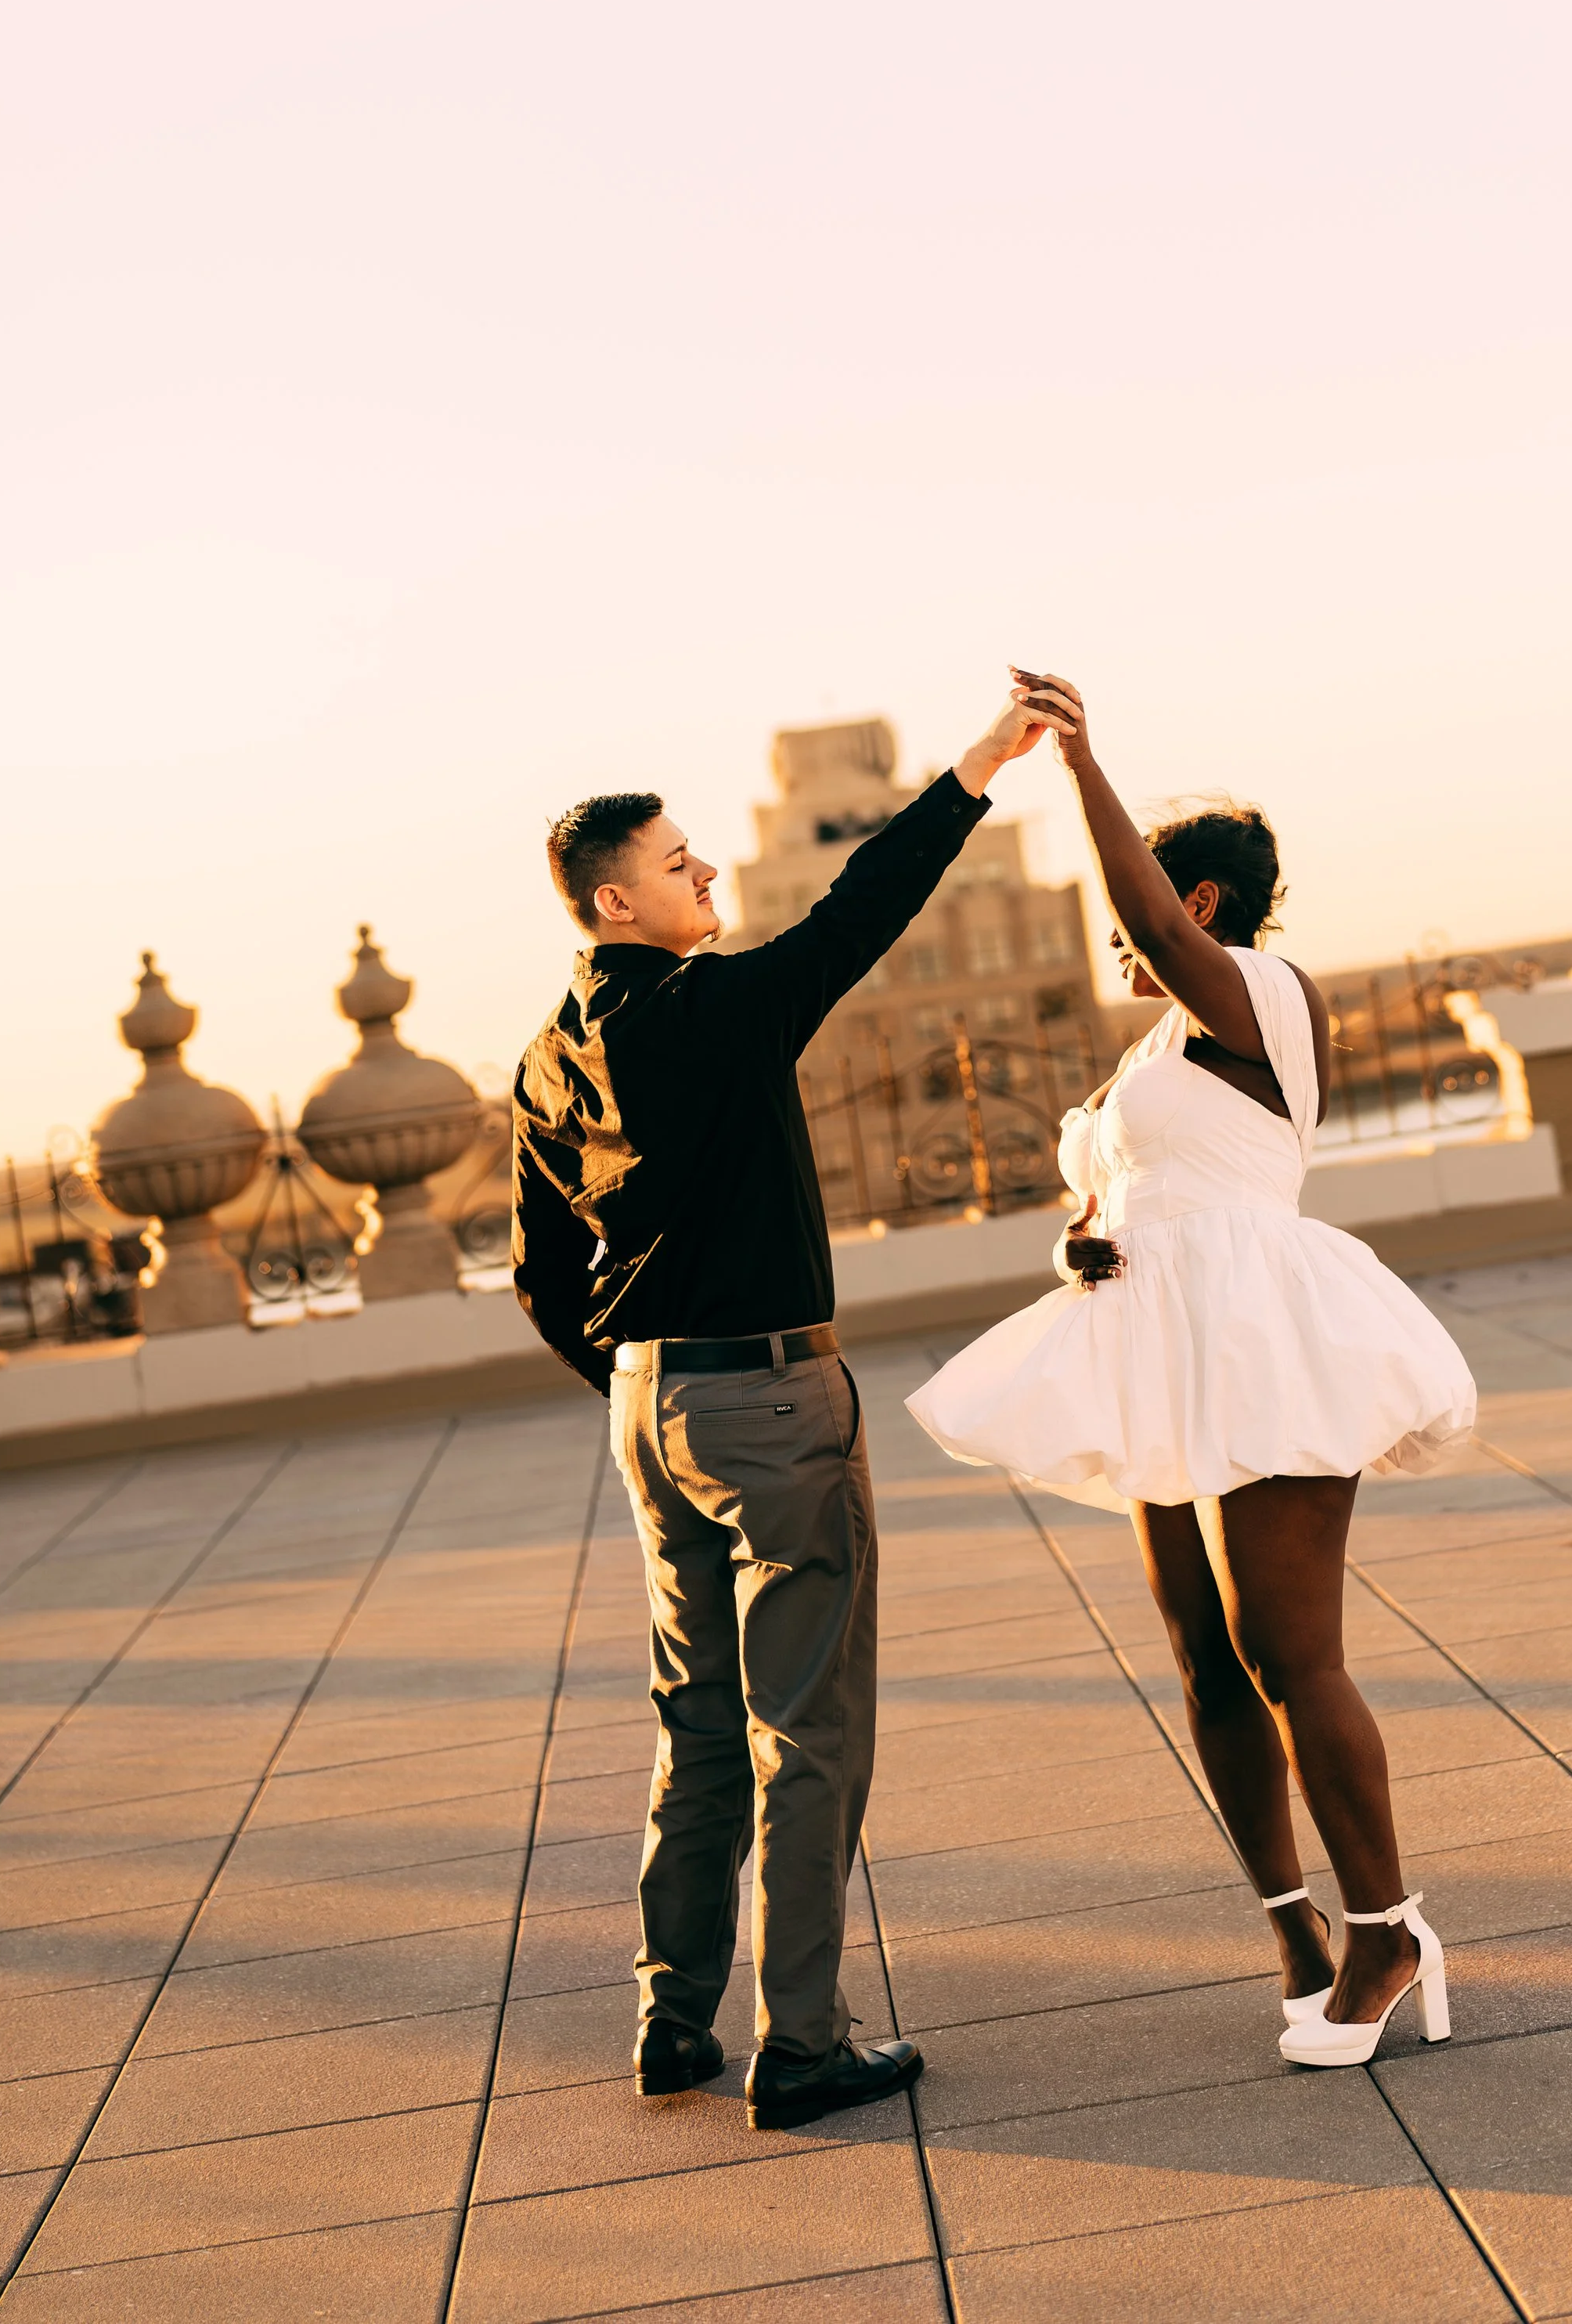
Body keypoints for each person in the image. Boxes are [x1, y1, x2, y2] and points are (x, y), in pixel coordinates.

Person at [907, 669, 1477, 2067]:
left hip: (1265, 1344)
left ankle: (1390, 1929)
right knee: (1205, 1658)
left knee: (1291, 1651)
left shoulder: (1263, 999)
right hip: (1160, 1349)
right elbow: (1132, 1190)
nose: (1127, 931)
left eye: (1151, 903)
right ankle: (1292, 1924)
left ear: (1201, 906)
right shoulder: (1154, 1048)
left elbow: (1145, 915)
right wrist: (1088, 1246)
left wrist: (1081, 764)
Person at [510, 690, 1044, 2128]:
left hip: (650, 1410)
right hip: (766, 1400)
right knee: (805, 1730)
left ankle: (672, 2020)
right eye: (682, 865)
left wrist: (647, 1382)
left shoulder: (550, 1052)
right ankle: (800, 2042)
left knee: (693, 1723)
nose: (709, 879)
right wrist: (976, 770)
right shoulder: (723, 1010)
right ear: (616, 897)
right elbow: (860, 908)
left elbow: (538, 1273)